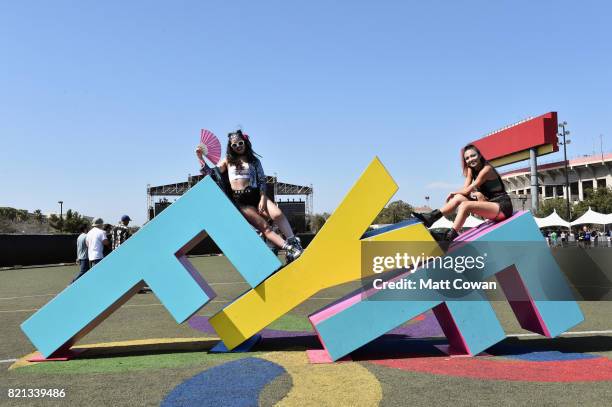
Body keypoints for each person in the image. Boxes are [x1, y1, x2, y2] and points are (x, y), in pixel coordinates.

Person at [197, 130, 303, 262]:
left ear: (245, 143)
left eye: (240, 143)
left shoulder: (254, 161)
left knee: (278, 214)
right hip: (241, 202)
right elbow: (212, 174)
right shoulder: (227, 161)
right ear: (230, 147)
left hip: (257, 195)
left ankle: (294, 242)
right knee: (265, 228)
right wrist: (200, 158)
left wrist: (263, 198)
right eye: (234, 145)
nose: (238, 146)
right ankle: (290, 249)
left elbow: (262, 180)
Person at [412, 144, 513, 241]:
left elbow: (469, 189)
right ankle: (431, 217)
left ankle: (450, 237)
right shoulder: (471, 169)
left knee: (465, 205)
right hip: (488, 204)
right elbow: (465, 190)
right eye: (467, 158)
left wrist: (453, 193)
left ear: (480, 155)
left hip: (502, 207)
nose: (470, 159)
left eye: (473, 155)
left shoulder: (487, 169)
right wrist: (457, 194)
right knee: (459, 197)